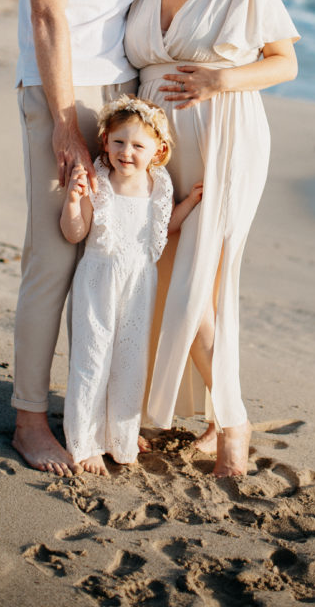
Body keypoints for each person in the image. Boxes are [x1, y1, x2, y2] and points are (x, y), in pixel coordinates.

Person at [12, 0, 182, 476]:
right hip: (62, 87)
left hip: (122, 92)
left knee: (111, 254)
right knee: (54, 256)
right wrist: (62, 121)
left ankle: (98, 412)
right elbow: (46, 11)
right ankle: (29, 421)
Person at [124, 0, 300, 477]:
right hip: (155, 150)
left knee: (198, 284)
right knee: (169, 277)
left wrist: (219, 80)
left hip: (225, 137)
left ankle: (233, 420)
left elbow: (284, 63)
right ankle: (210, 420)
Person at [60, 95, 203, 476]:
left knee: (130, 358)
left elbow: (163, 228)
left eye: (138, 146)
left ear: (158, 151)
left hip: (140, 282)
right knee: (92, 359)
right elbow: (75, 233)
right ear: (105, 142)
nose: (127, 152)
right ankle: (86, 443)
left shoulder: (159, 185)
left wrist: (190, 202)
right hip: (98, 280)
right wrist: (73, 202)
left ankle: (119, 436)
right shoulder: (98, 182)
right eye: (119, 142)